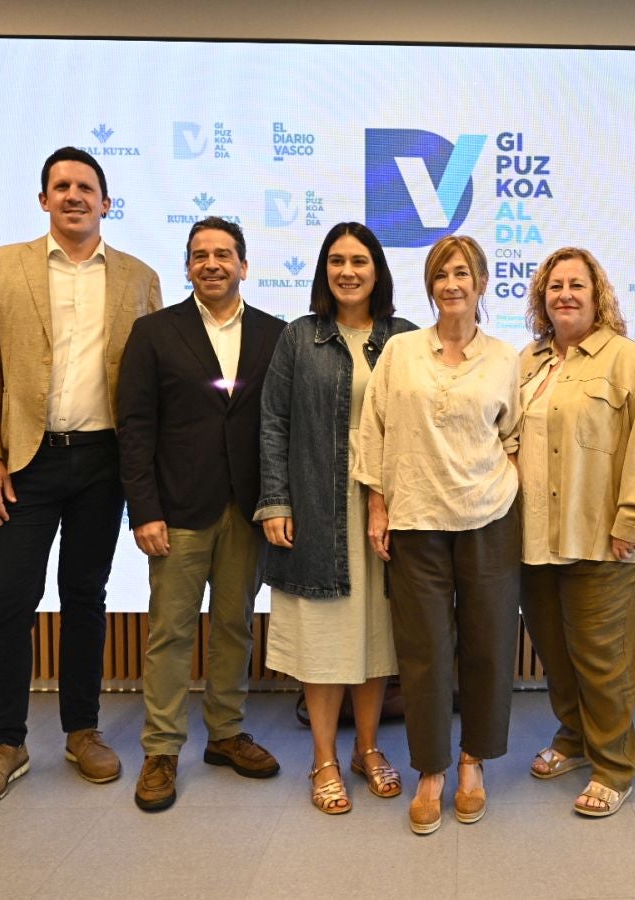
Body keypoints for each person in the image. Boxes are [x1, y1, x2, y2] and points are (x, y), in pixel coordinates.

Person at [0, 147, 162, 811]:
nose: (74, 195)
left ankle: (82, 730)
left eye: (86, 187)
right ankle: (5, 744)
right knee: (6, 598)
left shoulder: (139, 277)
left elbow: (149, 384)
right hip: (24, 461)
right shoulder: (2, 266)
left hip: (103, 461)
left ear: (106, 202)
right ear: (44, 199)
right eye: (62, 186)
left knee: (85, 595)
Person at [355, 235, 521, 835]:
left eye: (462, 273)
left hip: (488, 518)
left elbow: (514, 435)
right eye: (441, 275)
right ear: (430, 286)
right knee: (423, 651)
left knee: (488, 643)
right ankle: (431, 769)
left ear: (481, 283)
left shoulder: (506, 358)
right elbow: (373, 428)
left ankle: (473, 760)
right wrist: (378, 504)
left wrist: (501, 485)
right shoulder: (400, 351)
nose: (452, 284)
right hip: (416, 519)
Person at [118, 217, 285, 812]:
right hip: (177, 510)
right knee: (171, 631)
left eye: (223, 254)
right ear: (187, 267)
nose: (211, 263)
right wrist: (144, 510)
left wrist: (278, 501)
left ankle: (226, 733)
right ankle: (161, 749)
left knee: (236, 625)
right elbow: (135, 428)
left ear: (244, 265)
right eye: (199, 255)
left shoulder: (274, 334)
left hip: (247, 508)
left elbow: (280, 425)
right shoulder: (154, 332)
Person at [256, 222, 416, 815]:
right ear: (324, 270)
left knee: (375, 636)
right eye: (336, 261)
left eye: (359, 261)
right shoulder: (299, 337)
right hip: (316, 505)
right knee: (324, 637)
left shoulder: (404, 338)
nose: (348, 271)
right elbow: (273, 422)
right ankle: (324, 757)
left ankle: (367, 749)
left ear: (378, 270)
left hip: (388, 507)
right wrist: (276, 501)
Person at [517, 247, 635, 817]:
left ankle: (613, 765)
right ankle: (575, 738)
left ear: (597, 293)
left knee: (601, 659)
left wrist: (633, 520)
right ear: (542, 298)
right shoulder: (527, 361)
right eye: (554, 286)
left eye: (576, 285)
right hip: (533, 537)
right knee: (555, 655)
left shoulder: (627, 360)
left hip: (603, 538)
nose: (565, 295)